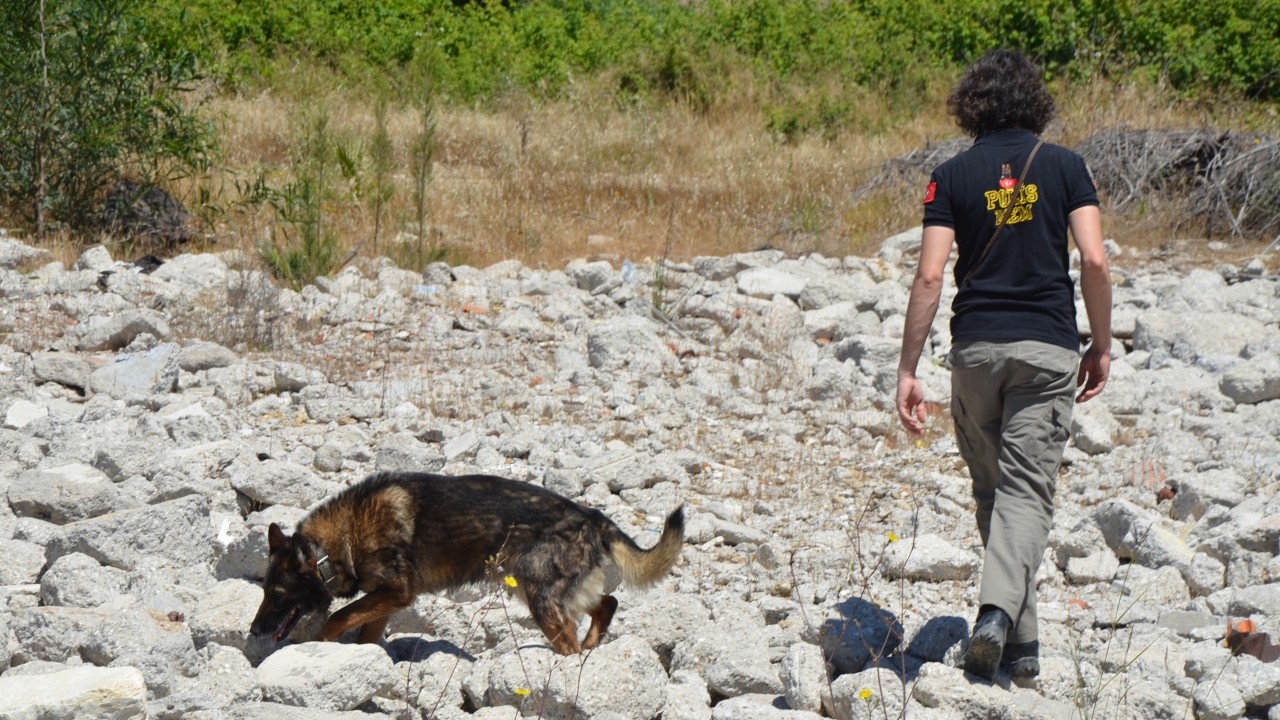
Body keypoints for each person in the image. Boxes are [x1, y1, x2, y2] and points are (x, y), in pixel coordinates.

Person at [894, 49, 1112, 681]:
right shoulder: (1068, 166)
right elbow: (1094, 261)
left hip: (976, 353)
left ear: (972, 104)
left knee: (997, 493)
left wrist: (908, 369)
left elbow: (931, 273)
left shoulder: (951, 175)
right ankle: (996, 614)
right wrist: (1100, 343)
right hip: (1045, 350)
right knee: (1026, 491)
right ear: (1035, 101)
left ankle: (1021, 648)